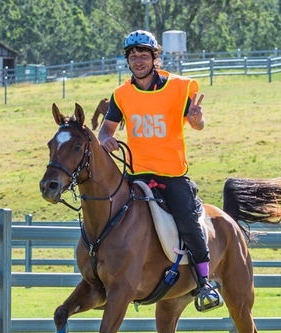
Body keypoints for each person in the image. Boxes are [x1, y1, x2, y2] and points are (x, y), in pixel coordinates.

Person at [98, 29, 222, 311]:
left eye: (143, 55)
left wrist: (196, 119)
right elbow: (105, 130)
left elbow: (198, 125)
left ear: (156, 58)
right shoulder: (121, 94)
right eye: (133, 56)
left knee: (189, 223)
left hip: (172, 176)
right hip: (135, 175)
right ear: (127, 61)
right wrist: (106, 139)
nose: (138, 60)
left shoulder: (179, 88)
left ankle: (204, 284)